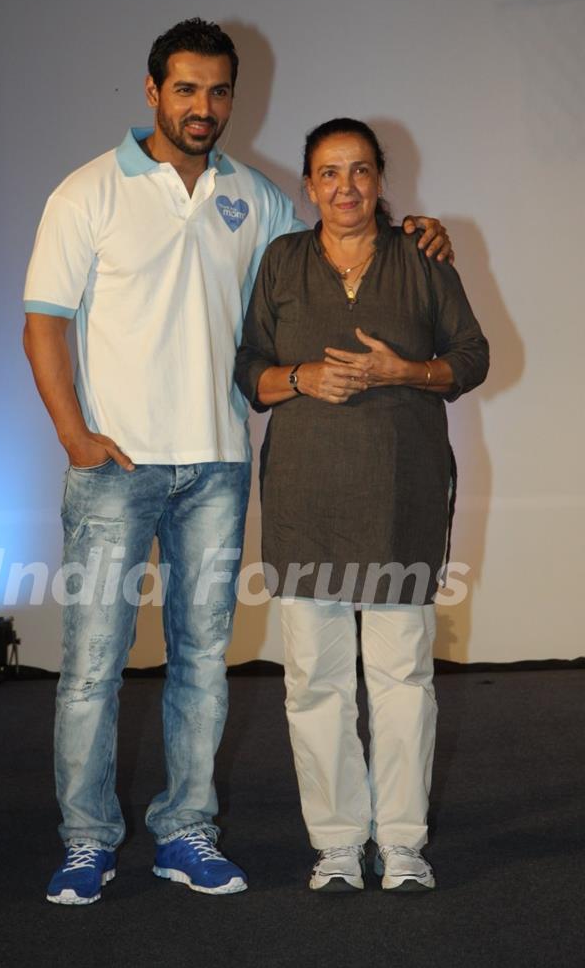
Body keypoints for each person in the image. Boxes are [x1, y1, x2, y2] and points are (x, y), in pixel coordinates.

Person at [23, 22, 452, 906]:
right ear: (152, 91)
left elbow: (340, 245)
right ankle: (86, 839)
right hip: (114, 467)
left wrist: (417, 231)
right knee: (94, 667)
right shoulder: (87, 192)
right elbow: (43, 321)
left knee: (199, 663)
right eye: (186, 89)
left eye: (218, 91)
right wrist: (75, 434)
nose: (203, 107)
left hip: (216, 469)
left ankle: (186, 831)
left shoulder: (253, 198)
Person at [235, 117, 488, 894]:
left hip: (400, 495)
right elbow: (250, 370)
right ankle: (340, 843)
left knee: (402, 675)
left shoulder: (423, 256)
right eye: (328, 173)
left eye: (359, 171)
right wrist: (303, 376)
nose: (345, 187)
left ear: (380, 179)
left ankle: (404, 842)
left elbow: (471, 358)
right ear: (309, 187)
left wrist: (404, 370)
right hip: (306, 496)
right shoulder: (281, 261)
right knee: (314, 679)